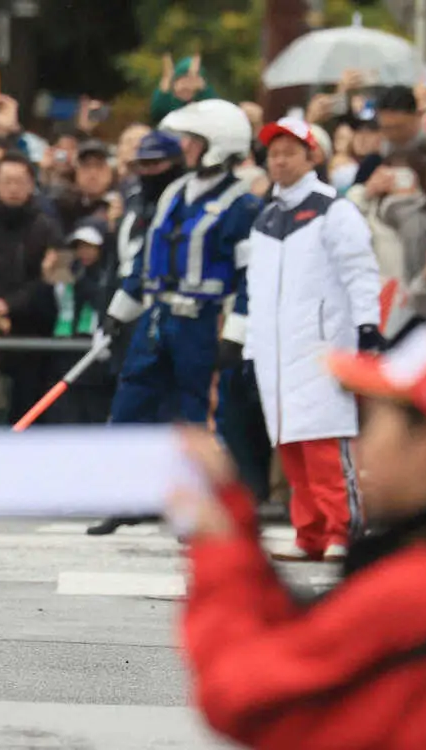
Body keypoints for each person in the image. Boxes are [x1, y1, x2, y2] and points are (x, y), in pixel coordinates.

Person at [171, 325, 426, 749]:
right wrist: (233, 519)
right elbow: (306, 645)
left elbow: (241, 695)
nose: (357, 445)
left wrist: (217, 551)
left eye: (370, 422)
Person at [91, 100, 262, 536]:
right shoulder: (173, 193)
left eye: (193, 140)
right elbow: (146, 261)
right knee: (131, 404)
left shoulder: (241, 204)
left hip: (204, 322)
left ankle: (202, 505)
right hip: (155, 317)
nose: (183, 147)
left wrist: (238, 332)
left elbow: (251, 276)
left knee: (200, 416)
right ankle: (124, 498)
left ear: (218, 146)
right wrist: (117, 314)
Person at [242, 118, 383, 562]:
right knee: (291, 447)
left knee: (325, 445)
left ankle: (344, 530)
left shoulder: (333, 209)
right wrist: (250, 346)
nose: (279, 160)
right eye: (273, 153)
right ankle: (310, 533)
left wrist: (367, 326)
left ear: (311, 156)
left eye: (289, 152)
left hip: (322, 347)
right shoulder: (266, 217)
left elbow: (361, 271)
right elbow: (257, 289)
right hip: (276, 353)